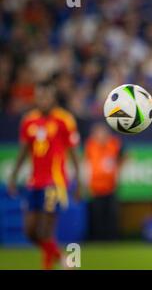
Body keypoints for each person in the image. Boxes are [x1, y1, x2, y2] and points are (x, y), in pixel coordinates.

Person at [7, 80, 81, 270]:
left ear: (53, 97)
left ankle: (49, 266)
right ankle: (62, 258)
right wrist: (14, 176)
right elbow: (23, 151)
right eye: (40, 96)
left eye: (47, 95)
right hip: (34, 182)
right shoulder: (29, 120)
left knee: (46, 230)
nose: (43, 99)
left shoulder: (64, 119)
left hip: (55, 182)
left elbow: (74, 153)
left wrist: (80, 181)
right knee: (30, 231)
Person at [84, 122, 125, 241]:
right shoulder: (91, 146)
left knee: (112, 215)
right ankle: (98, 239)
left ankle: (112, 239)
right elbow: (87, 164)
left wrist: (119, 171)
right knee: (97, 215)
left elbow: (124, 156)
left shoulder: (114, 144)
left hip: (111, 186)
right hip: (96, 187)